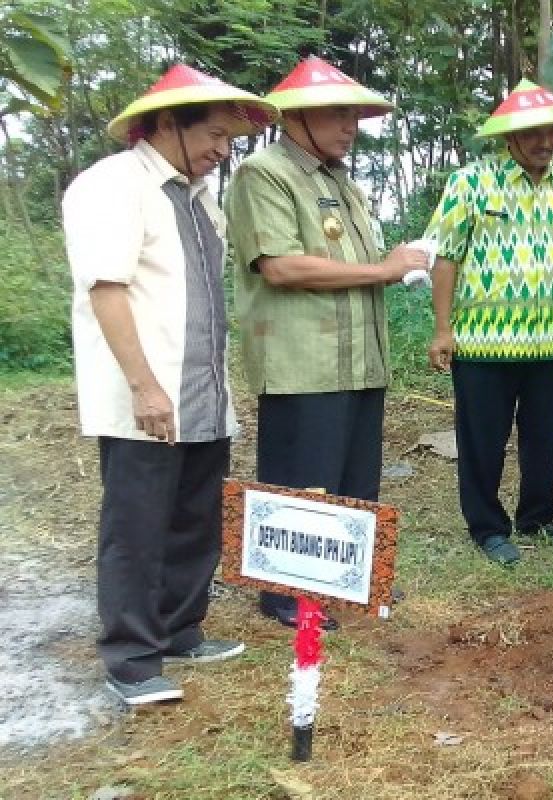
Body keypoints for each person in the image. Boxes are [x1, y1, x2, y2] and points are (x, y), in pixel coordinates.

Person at [63, 65, 277, 705]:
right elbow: (107, 288)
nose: (222, 151)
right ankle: (131, 659)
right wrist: (144, 385)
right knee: (137, 527)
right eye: (213, 135)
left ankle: (181, 629)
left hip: (202, 394)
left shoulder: (197, 195)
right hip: (147, 399)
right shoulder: (113, 186)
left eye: (229, 141)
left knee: (194, 519)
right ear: (164, 124)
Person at [226, 56, 428, 628]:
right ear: (298, 117)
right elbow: (281, 267)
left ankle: (348, 576)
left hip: (360, 357)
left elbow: (357, 261)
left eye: (354, 116)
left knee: (353, 475)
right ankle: (285, 592)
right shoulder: (264, 174)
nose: (350, 127)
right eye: (338, 115)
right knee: (301, 477)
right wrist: (383, 272)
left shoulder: (342, 180)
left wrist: (391, 266)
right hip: (302, 361)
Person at [423, 80, 553, 566]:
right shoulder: (472, 182)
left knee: (544, 435)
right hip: (484, 343)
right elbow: (446, 258)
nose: (546, 142)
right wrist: (443, 329)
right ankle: (488, 527)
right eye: (535, 133)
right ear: (510, 136)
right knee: (483, 440)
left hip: (552, 339)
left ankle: (539, 517)